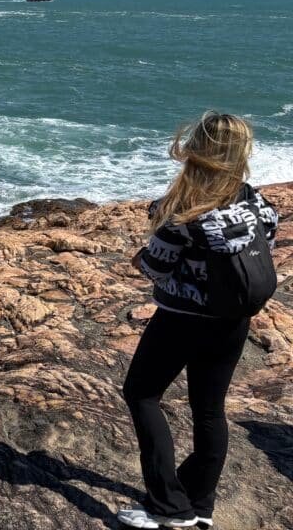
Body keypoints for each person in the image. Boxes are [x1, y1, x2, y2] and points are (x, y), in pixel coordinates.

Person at [117, 112, 279, 530]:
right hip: (232, 320)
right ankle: (199, 505)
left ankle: (168, 508)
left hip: (182, 319)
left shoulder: (186, 210)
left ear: (197, 150)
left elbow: (156, 267)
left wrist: (142, 256)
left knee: (142, 394)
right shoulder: (253, 200)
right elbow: (266, 240)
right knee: (209, 411)